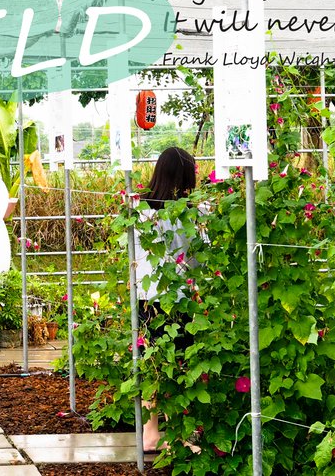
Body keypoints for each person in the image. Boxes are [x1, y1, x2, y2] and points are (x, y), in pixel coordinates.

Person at [133, 146, 201, 453]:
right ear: (186, 175)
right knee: (180, 362)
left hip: (146, 298)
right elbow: (198, 258)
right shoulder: (189, 212)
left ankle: (150, 432)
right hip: (179, 298)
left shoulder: (137, 209)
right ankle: (179, 433)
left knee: (153, 363)